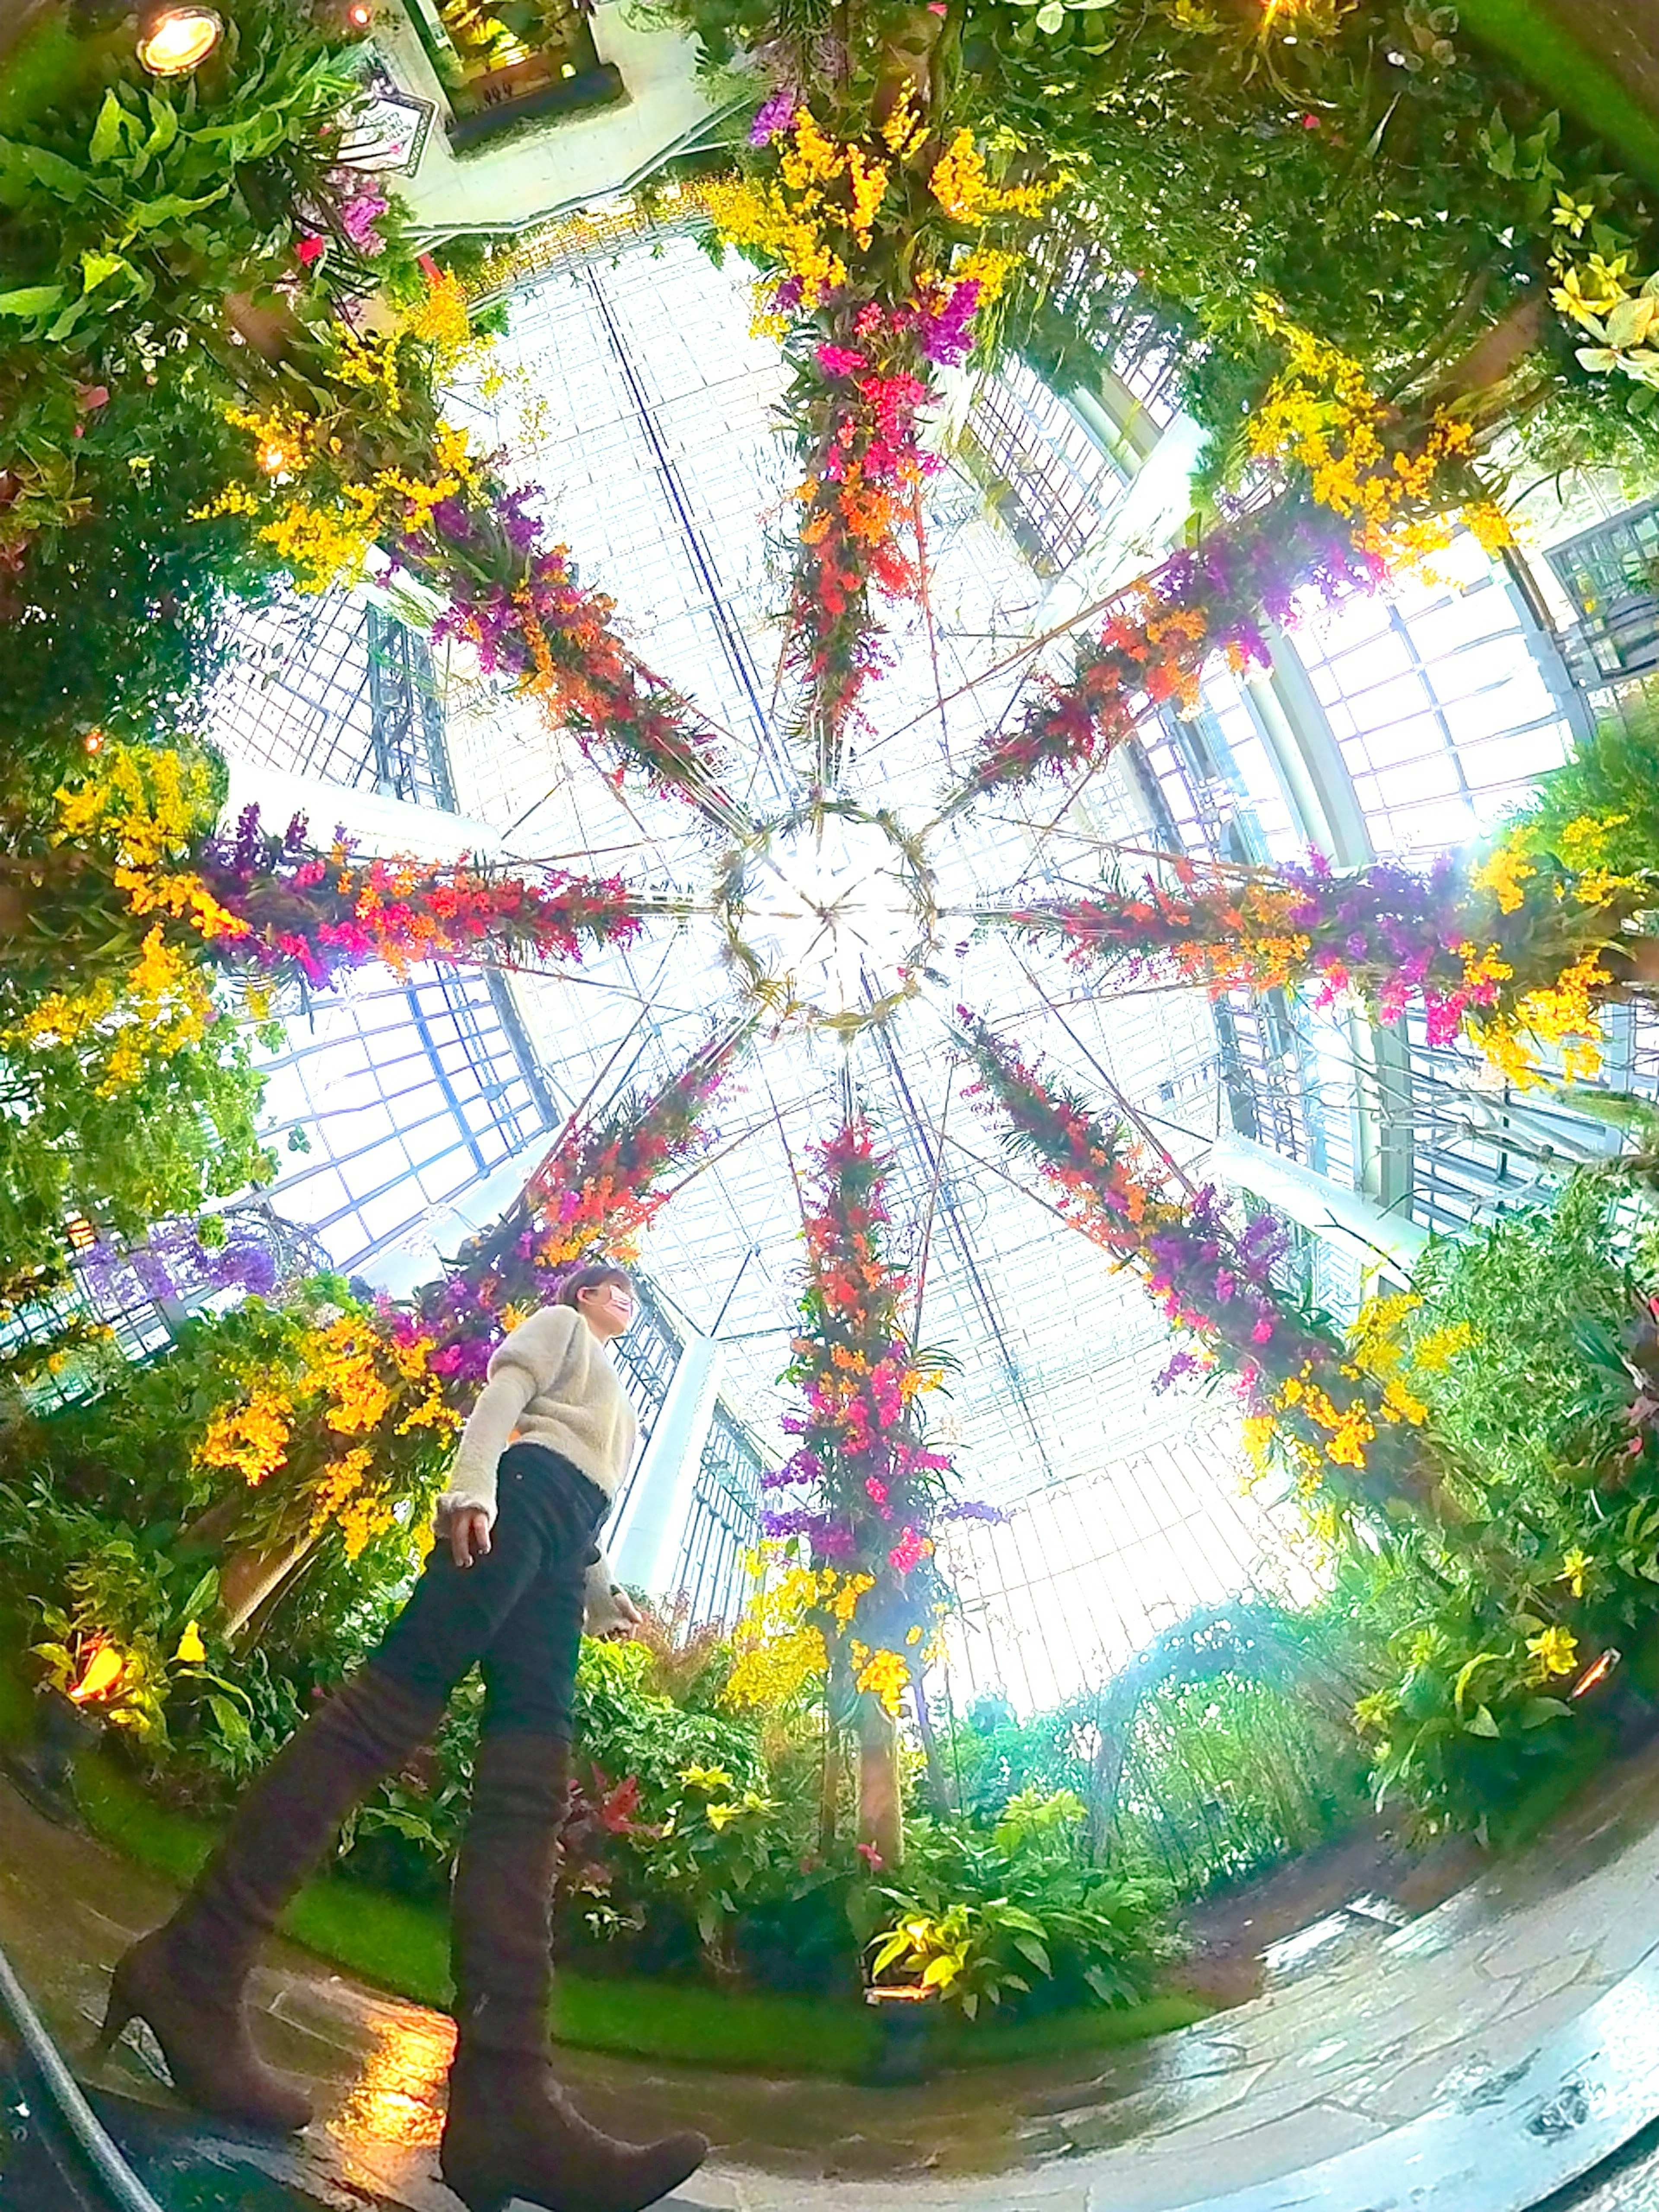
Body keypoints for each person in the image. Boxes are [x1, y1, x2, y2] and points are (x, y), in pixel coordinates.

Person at [101, 1262, 707, 2212]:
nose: (624, 1303)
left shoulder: (619, 1397)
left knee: (530, 1782)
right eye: (611, 1288)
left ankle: (508, 2097)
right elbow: (509, 1398)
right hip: (517, 1502)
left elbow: (589, 1508)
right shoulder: (557, 1328)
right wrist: (472, 1489)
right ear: (582, 1294)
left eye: (633, 1296)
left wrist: (597, 1594)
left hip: (559, 1543)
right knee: (388, 1709)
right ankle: (194, 1962)